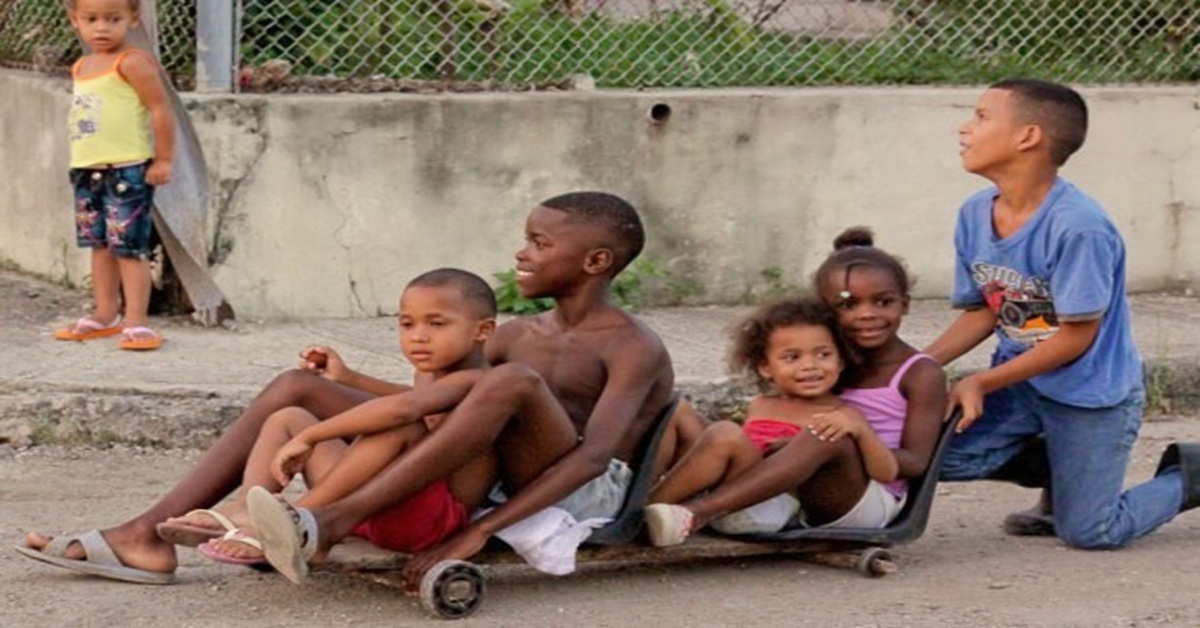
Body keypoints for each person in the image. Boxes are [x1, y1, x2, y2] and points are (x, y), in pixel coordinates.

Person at [242, 191, 676, 587]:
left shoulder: (632, 346)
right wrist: (351, 380)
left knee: (513, 379)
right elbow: (443, 404)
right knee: (299, 389)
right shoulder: (518, 333)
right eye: (526, 240)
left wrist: (481, 529)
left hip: (587, 490)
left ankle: (334, 519)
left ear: (595, 262)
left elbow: (594, 458)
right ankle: (224, 519)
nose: (521, 252)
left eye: (539, 243)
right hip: (515, 476)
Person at [926, 78, 1198, 549]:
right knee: (932, 458)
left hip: (1089, 393)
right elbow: (985, 310)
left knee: (1091, 531)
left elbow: (1076, 338)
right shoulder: (974, 214)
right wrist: (917, 367)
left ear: (1027, 136)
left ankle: (1189, 476)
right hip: (1021, 382)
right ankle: (1065, 467)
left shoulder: (1079, 227)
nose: (964, 128)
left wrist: (980, 382)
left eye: (982, 116)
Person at [644, 228, 946, 546]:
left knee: (828, 432)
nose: (867, 314)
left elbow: (916, 463)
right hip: (789, 487)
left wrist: (835, 440)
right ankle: (641, 509)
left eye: (883, 302)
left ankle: (696, 513)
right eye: (848, 305)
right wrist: (788, 448)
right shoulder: (828, 364)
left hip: (863, 497)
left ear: (905, 304)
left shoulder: (920, 373)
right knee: (680, 411)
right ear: (826, 312)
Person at [193, 268, 498, 565]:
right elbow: (413, 398)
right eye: (407, 324)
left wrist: (311, 436)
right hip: (364, 508)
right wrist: (350, 378)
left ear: (483, 330)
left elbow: (404, 409)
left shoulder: (482, 383)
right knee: (287, 418)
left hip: (425, 522)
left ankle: (296, 520)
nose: (418, 337)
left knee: (396, 426)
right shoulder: (429, 374)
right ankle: (248, 509)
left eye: (437, 324)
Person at [53, 0, 174, 351]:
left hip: (126, 171)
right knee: (99, 245)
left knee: (128, 247)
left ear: (133, 19)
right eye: (91, 19)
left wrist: (163, 159)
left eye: (113, 19)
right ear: (75, 20)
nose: (101, 28)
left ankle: (137, 321)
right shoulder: (81, 66)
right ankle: (106, 314)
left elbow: (159, 108)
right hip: (86, 171)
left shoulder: (133, 62)